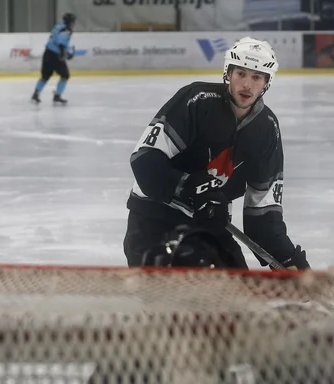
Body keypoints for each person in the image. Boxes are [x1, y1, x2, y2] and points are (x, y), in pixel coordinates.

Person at [123, 36, 309, 271]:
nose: (247, 85)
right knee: (166, 302)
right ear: (228, 73)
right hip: (155, 218)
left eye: (256, 77)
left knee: (237, 302)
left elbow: (263, 211)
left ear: (266, 83)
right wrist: (191, 185)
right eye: (241, 73)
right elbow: (145, 160)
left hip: (209, 222)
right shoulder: (197, 100)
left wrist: (286, 258)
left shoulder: (266, 129)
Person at [31, 12, 76, 105]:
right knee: (65, 75)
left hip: (47, 53)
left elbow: (56, 40)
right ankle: (57, 96)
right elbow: (61, 43)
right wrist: (64, 54)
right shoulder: (67, 30)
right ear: (70, 22)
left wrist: (67, 52)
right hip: (55, 55)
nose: (73, 24)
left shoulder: (58, 26)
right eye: (73, 22)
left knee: (45, 76)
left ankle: (35, 94)